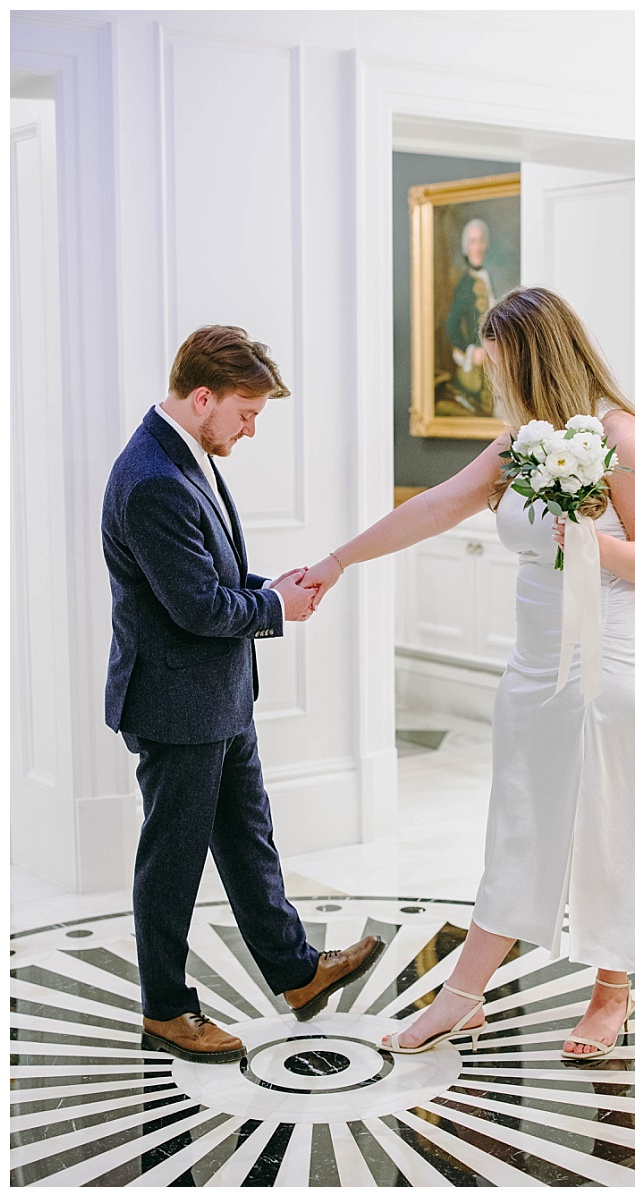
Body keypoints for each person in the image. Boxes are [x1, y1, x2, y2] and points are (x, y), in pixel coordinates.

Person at [300, 287, 635, 1058]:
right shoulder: (523, 443)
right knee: (518, 820)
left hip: (618, 663)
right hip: (538, 666)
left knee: (612, 826)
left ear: (535, 356)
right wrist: (338, 560)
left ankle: (612, 990)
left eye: (501, 363)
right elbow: (437, 506)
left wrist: (586, 539)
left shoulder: (621, 436)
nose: (493, 378)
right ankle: (462, 997)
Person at [102, 325, 383, 1064]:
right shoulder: (152, 479)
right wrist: (277, 608)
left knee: (248, 839)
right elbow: (197, 607)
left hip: (217, 695)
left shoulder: (184, 454)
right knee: (172, 863)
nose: (251, 429)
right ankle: (166, 1009)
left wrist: (271, 588)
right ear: (203, 397)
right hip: (176, 704)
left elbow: (212, 580)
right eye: (246, 413)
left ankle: (294, 972)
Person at [444, 217, 497, 416]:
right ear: (467, 247)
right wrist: (471, 350)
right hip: (476, 367)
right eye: (472, 242)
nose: (477, 247)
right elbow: (451, 325)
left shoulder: (486, 276)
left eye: (481, 241)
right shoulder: (466, 283)